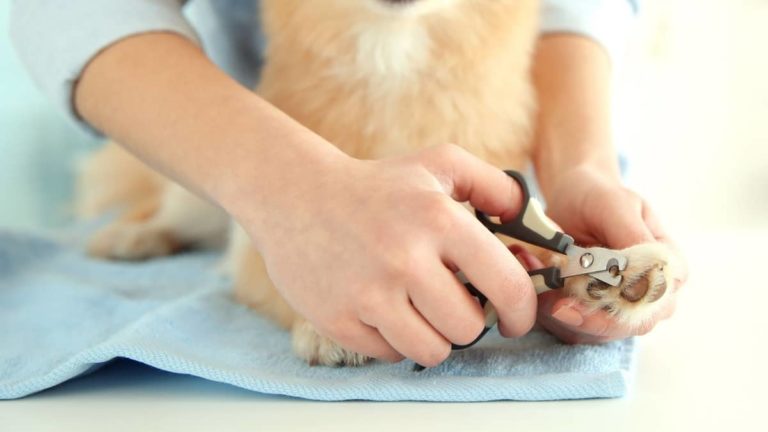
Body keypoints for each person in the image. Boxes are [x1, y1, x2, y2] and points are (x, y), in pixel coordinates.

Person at [10, 0, 684, 366]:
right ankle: (171, 215)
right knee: (196, 207)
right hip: (251, 110)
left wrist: (579, 170)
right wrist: (289, 192)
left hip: (501, 85)